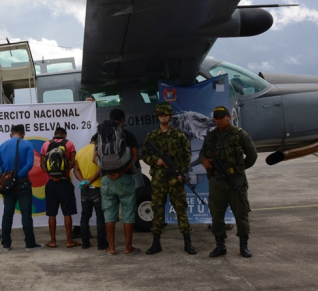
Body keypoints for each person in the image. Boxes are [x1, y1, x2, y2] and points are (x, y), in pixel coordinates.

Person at [199, 105, 258, 258]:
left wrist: (239, 168)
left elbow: (252, 155)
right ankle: (220, 245)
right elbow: (202, 154)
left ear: (229, 118)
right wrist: (204, 160)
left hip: (235, 180)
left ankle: (243, 246)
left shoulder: (240, 135)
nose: (219, 121)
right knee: (216, 215)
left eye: (222, 118)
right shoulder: (211, 136)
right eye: (216, 119)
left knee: (241, 214)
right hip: (217, 181)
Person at [142, 102, 197, 255]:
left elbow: (187, 156)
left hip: (175, 180)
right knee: (157, 211)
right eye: (161, 115)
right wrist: (156, 160)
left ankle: (188, 243)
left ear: (170, 116)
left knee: (181, 211)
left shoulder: (179, 135)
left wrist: (182, 172)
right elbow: (145, 154)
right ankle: (156, 243)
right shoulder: (151, 136)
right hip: (159, 181)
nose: (163, 117)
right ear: (158, 117)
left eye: (165, 115)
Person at [96, 108, 140, 255]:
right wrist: (120, 171)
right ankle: (128, 248)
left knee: (109, 214)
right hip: (125, 179)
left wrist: (109, 172)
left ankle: (111, 248)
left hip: (107, 180)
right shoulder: (128, 135)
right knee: (128, 213)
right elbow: (135, 158)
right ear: (122, 120)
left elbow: (94, 159)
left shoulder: (100, 135)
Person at [0, 124, 43, 252]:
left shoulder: (3, 145)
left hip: (7, 186)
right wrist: (17, 177)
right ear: (23, 134)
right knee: (26, 213)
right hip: (23, 183)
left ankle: (6, 244)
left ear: (11, 133)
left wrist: (6, 177)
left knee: (7, 213)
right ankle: (29, 244)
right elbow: (29, 164)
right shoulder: (27, 145)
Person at [40, 127, 79, 248]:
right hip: (65, 182)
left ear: (55, 135)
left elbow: (42, 164)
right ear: (64, 135)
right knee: (67, 213)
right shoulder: (69, 143)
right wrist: (62, 173)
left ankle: (53, 241)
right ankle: (69, 241)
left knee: (52, 213)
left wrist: (51, 175)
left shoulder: (46, 145)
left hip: (51, 183)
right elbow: (73, 162)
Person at [73, 134, 108, 250]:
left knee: (85, 216)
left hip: (85, 189)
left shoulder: (80, 152)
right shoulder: (99, 151)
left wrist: (83, 181)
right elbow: (101, 168)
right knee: (100, 216)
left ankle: (85, 242)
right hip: (97, 187)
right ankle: (102, 243)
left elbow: (75, 169)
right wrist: (91, 181)